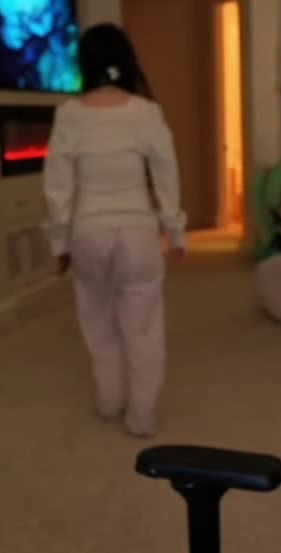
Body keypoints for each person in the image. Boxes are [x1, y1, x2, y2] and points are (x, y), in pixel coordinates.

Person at [43, 23, 186, 438]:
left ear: (84, 65)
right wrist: (174, 230)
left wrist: (59, 243)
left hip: (88, 233)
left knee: (98, 320)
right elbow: (166, 174)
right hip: (137, 233)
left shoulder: (69, 115)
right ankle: (142, 416)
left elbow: (57, 186)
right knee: (142, 327)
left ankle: (109, 400)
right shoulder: (145, 112)